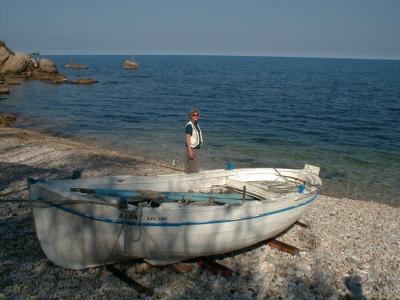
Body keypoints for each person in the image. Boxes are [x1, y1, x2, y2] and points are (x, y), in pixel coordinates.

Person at [185, 108, 203, 173]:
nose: (196, 116)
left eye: (197, 115)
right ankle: (192, 180)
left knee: (190, 166)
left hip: (195, 148)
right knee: (193, 167)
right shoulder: (189, 125)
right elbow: (187, 138)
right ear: (190, 116)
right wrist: (190, 151)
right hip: (192, 148)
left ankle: (187, 179)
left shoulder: (196, 124)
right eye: (194, 115)